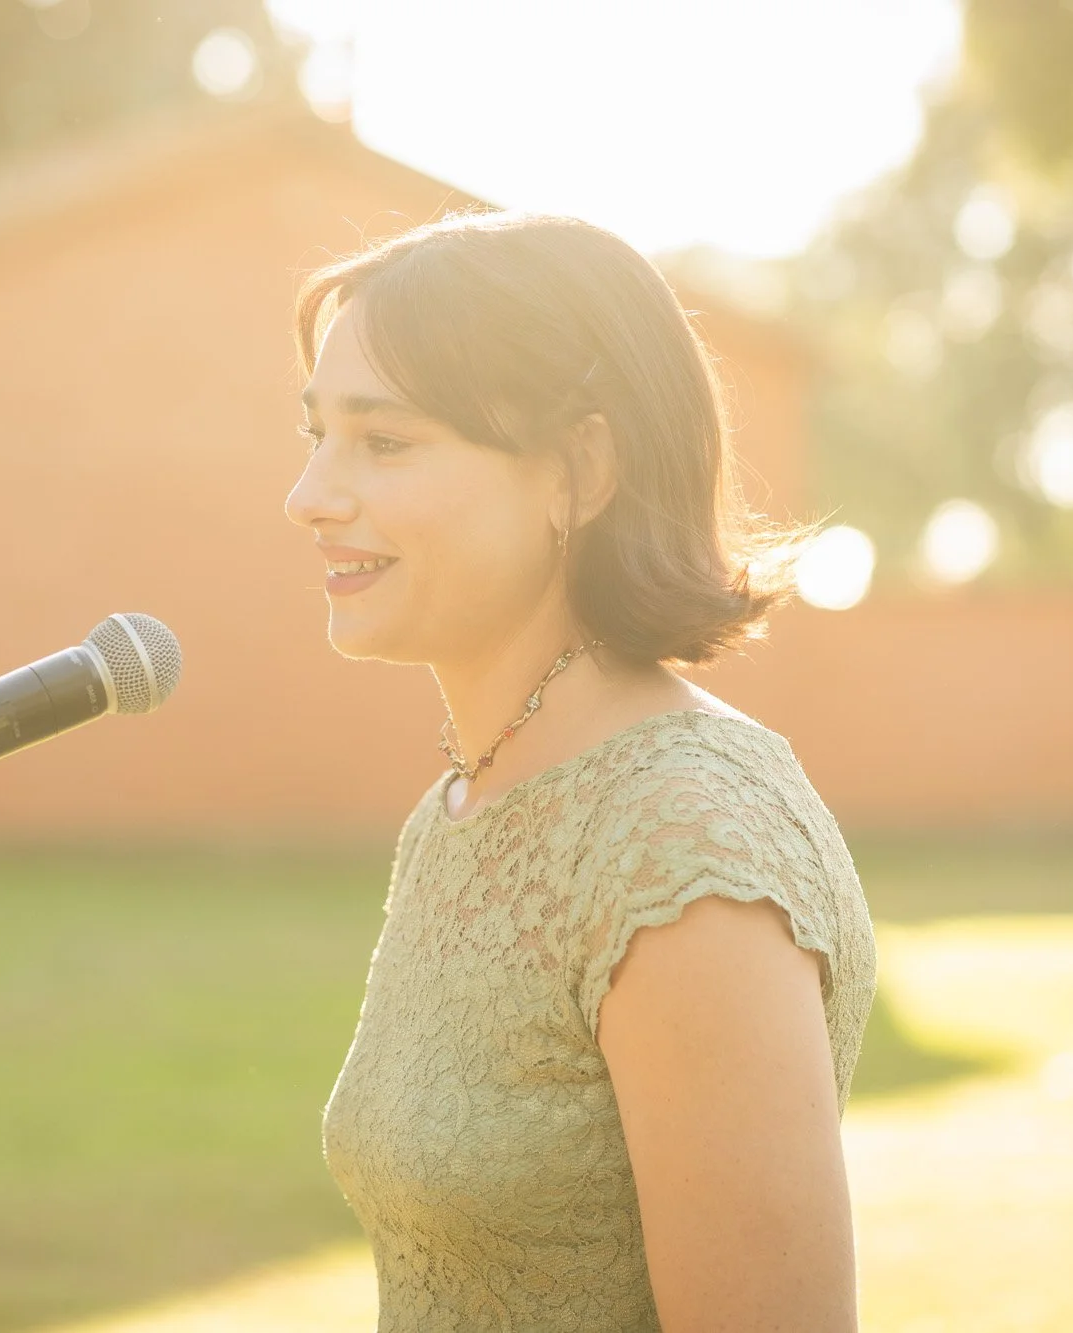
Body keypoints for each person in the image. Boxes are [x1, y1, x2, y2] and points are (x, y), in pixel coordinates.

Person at [287, 210, 878, 1331]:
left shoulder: (683, 844)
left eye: (384, 441)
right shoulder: (466, 802)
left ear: (580, 470)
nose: (308, 493)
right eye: (313, 433)